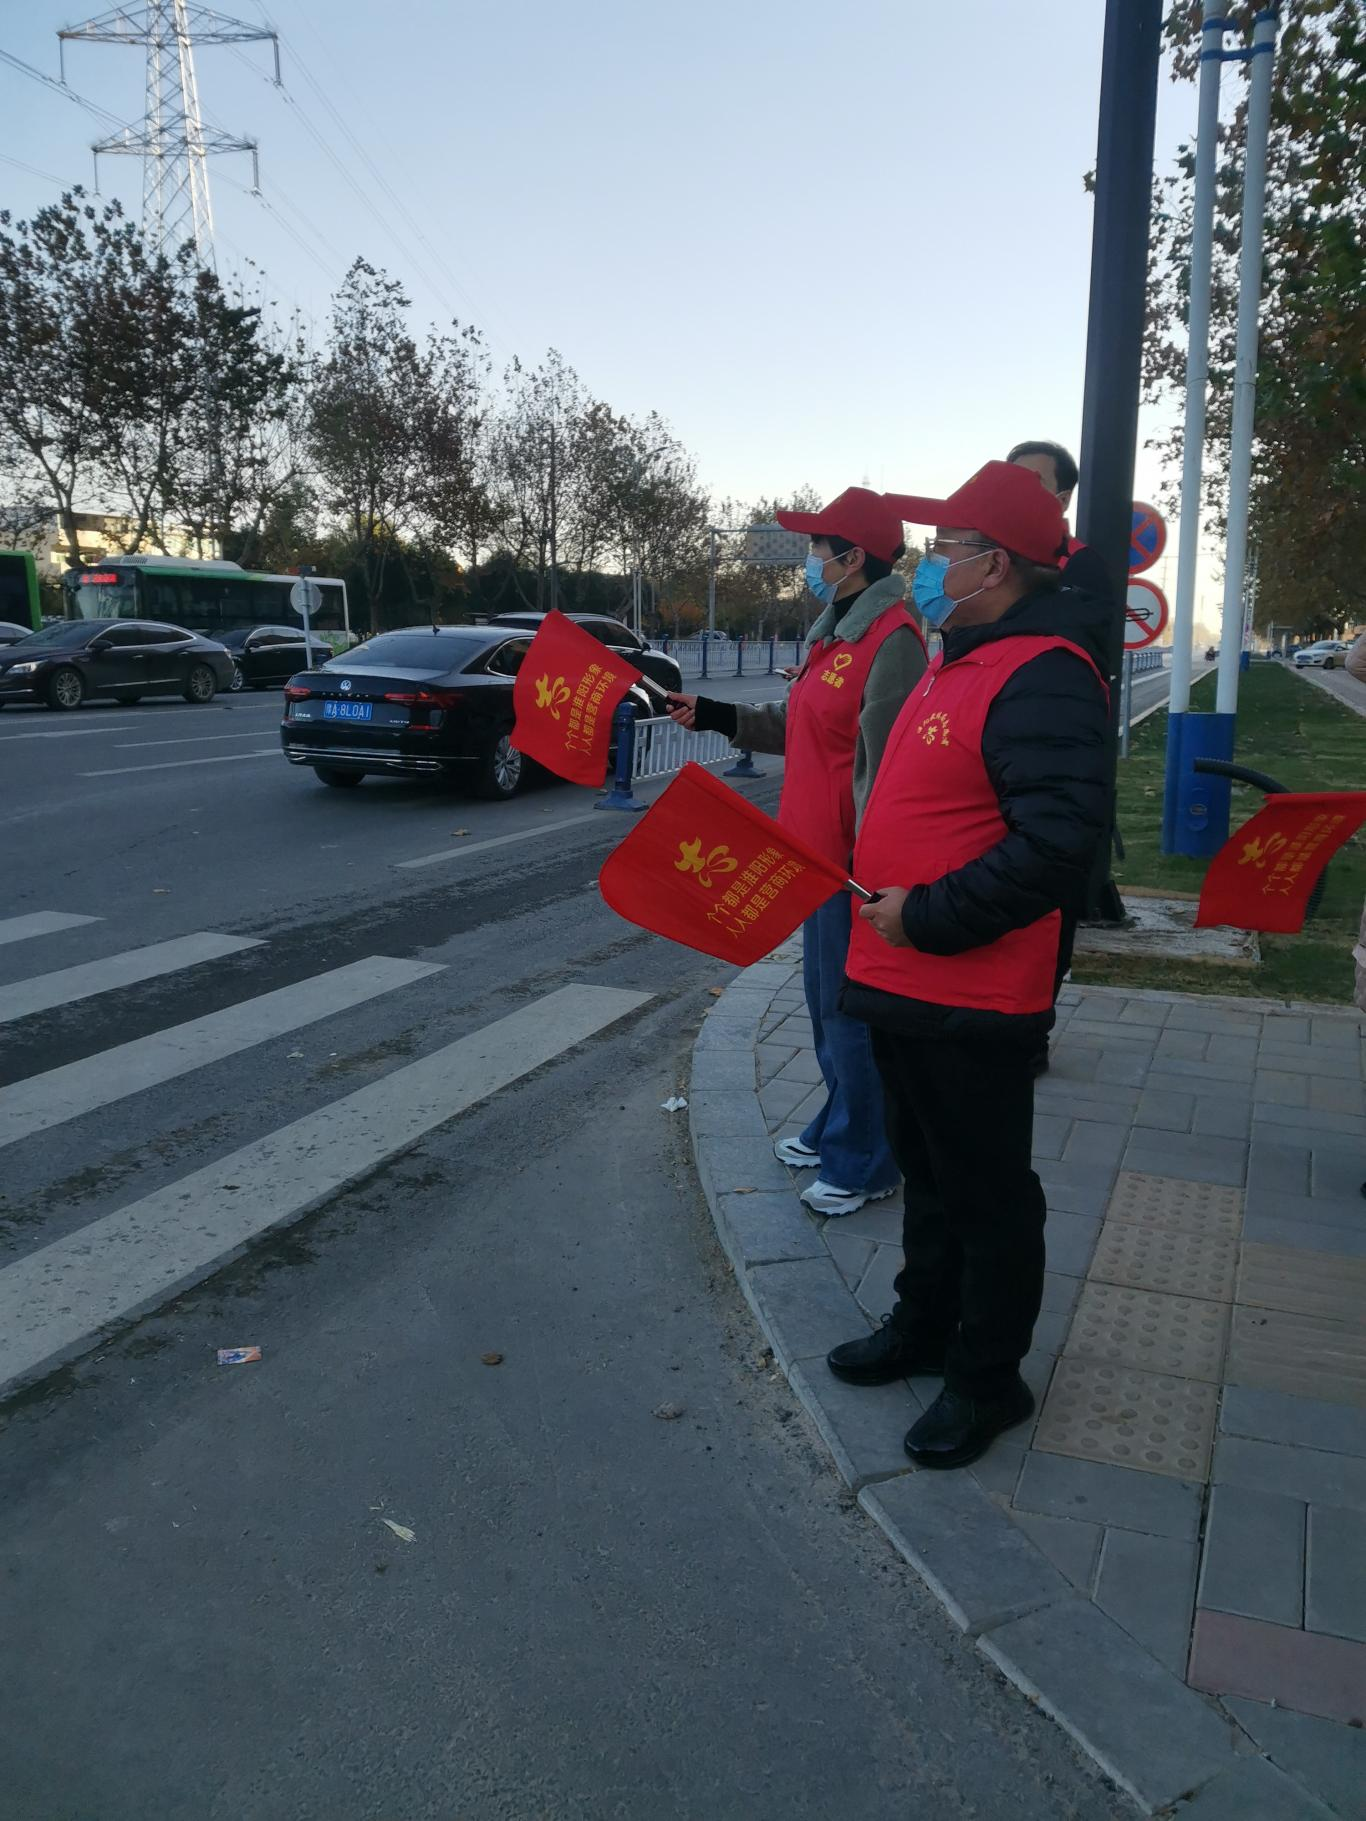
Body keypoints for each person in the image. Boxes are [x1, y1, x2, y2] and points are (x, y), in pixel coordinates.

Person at [825, 461, 1110, 1469]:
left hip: (970, 989)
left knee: (987, 1193)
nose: (928, 563)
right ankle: (923, 1325)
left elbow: (1058, 846)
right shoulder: (961, 655)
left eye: (945, 548)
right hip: (900, 977)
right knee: (928, 1175)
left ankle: (989, 1378)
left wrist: (931, 916)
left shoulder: (1046, 673)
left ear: (996, 565)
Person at [667, 488, 927, 1216]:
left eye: (818, 547)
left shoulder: (893, 639)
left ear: (854, 556)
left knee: (851, 1015)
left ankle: (867, 1160)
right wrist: (716, 714)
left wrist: (878, 870)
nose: (810, 559)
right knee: (823, 1007)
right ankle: (840, 1119)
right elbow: (802, 725)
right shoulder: (832, 632)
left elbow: (892, 766)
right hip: (809, 858)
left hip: (852, 867)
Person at [1008, 439, 1117, 1071]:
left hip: (1057, 746)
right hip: (1000, 745)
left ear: (1063, 496)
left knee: (1049, 893)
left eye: (1031, 482)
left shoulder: (1081, 566)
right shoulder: (998, 557)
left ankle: (1032, 1032)